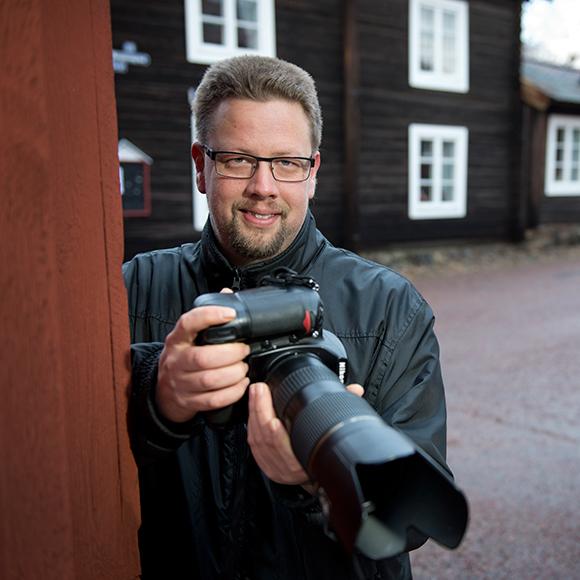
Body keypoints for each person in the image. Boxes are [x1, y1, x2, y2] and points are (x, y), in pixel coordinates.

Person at [124, 55, 449, 580]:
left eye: (287, 163)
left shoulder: (390, 307)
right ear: (200, 166)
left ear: (313, 172)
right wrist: (158, 397)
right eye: (237, 159)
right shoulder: (135, 289)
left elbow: (414, 515)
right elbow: (73, 458)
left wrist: (319, 480)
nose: (263, 186)